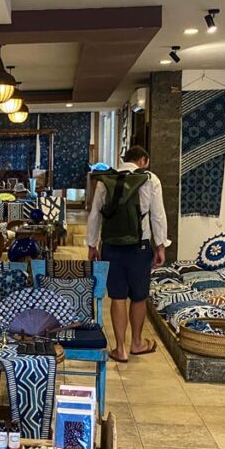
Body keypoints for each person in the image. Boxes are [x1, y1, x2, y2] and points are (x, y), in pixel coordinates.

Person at [86, 146, 169, 362]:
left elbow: (95, 214)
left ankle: (120, 348)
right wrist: (160, 246)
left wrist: (92, 245)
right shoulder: (150, 179)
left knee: (118, 296)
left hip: (111, 246)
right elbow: (158, 216)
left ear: (124, 160)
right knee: (139, 297)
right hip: (139, 247)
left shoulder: (107, 179)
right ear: (143, 160)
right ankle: (138, 343)